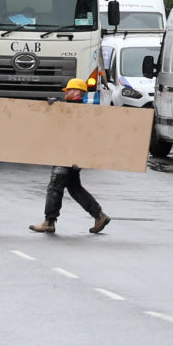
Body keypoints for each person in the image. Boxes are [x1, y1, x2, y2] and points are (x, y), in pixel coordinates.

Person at [31, 79, 111, 235]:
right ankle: (99, 215)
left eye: (69, 90)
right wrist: (52, 107)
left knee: (54, 187)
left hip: (67, 155)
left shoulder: (78, 110)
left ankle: (49, 221)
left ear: (77, 92)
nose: (66, 92)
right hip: (70, 155)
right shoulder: (73, 108)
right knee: (74, 188)